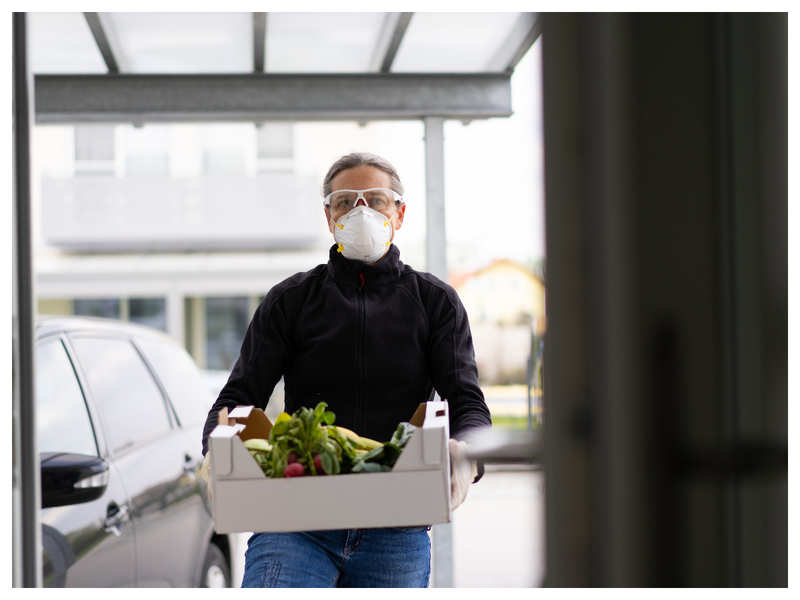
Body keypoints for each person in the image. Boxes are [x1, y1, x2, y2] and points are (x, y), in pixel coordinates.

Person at [200, 152, 492, 588]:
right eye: (344, 201)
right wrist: (215, 453)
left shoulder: (435, 303)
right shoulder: (291, 300)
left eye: (375, 200)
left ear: (400, 213)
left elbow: (468, 404)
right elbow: (237, 399)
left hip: (397, 523)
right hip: (295, 520)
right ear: (328, 216)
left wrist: (466, 456)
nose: (360, 211)